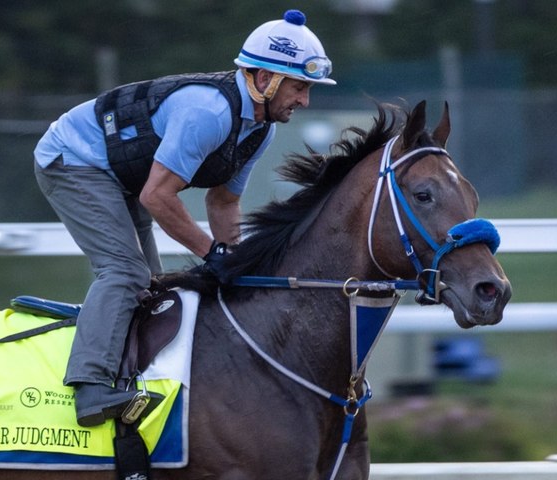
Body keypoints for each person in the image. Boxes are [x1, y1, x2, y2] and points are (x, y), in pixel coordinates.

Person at [34, 9, 335, 427]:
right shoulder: (208, 113)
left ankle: (129, 377)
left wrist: (235, 263)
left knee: (149, 285)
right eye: (299, 87)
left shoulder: (260, 128)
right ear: (265, 79)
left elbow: (223, 202)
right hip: (73, 160)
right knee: (125, 273)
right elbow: (157, 196)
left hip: (121, 172)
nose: (304, 101)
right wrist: (213, 253)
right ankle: (91, 387)